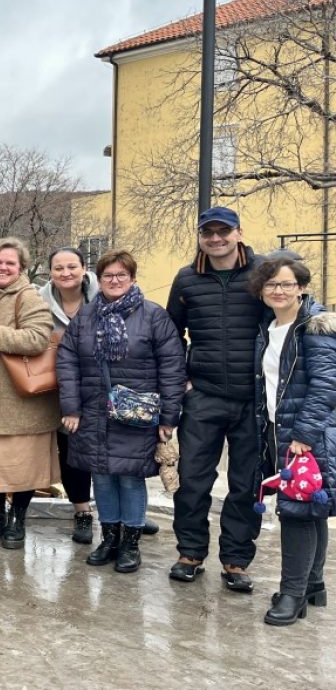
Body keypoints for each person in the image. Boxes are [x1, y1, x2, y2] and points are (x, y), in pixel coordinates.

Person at [57, 250, 186, 573]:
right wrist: (70, 407)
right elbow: (67, 362)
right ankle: (109, 537)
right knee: (101, 476)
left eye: (121, 275)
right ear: (98, 281)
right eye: (107, 276)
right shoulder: (85, 317)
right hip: (93, 411)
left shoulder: (154, 316)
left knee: (130, 478)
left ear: (132, 278)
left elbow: (172, 367)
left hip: (136, 414)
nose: (114, 281)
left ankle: (130, 541)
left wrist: (169, 417)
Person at [168, 207, 264, 590]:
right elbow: (172, 335)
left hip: (252, 399)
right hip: (203, 396)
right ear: (201, 236)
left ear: (239, 233)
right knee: (193, 479)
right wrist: (184, 381)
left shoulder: (263, 274)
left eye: (224, 231)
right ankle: (190, 552)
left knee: (245, 483)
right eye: (209, 232)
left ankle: (236, 560)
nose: (216, 238)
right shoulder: (187, 279)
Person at [251, 258, 336, 626]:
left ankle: (292, 594)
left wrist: (303, 435)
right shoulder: (270, 327)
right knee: (310, 508)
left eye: (286, 284)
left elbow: (326, 385)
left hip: (306, 435)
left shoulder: (314, 328)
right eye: (271, 285)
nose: (278, 291)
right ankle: (313, 584)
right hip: (279, 430)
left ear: (301, 286)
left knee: (296, 511)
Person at [0, 237, 61, 549]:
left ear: (21, 267)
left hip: (24, 401)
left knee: (25, 467)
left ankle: (17, 519)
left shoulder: (29, 297)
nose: (3, 267)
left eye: (10, 263)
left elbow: (38, 338)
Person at [38, 247, 101, 544]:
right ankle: (82, 511)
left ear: (84, 268)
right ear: (50, 272)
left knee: (110, 450)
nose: (66, 273)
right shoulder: (38, 301)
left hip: (102, 385)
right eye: (59, 268)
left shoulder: (106, 294)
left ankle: (125, 513)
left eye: (72, 267)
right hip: (59, 386)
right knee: (71, 451)